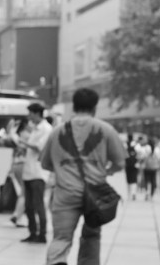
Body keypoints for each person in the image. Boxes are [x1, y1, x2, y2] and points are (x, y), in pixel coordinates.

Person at [40, 88, 126, 265]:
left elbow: (45, 164)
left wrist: (64, 169)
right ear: (94, 107)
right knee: (91, 237)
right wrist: (104, 171)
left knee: (61, 238)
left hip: (65, 194)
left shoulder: (57, 132)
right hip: (95, 195)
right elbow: (120, 162)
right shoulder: (106, 129)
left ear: (74, 106)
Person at [16, 102, 52, 244]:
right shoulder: (35, 129)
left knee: (38, 204)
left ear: (37, 113)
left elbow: (39, 147)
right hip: (29, 171)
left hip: (38, 172)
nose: (29, 116)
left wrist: (23, 142)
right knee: (29, 205)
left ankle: (42, 234)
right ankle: (32, 232)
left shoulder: (46, 129)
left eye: (30, 113)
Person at [124, 136, 139, 201]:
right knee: (134, 180)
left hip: (128, 165)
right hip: (134, 166)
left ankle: (129, 194)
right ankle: (133, 193)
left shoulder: (125, 146)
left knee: (129, 181)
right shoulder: (136, 146)